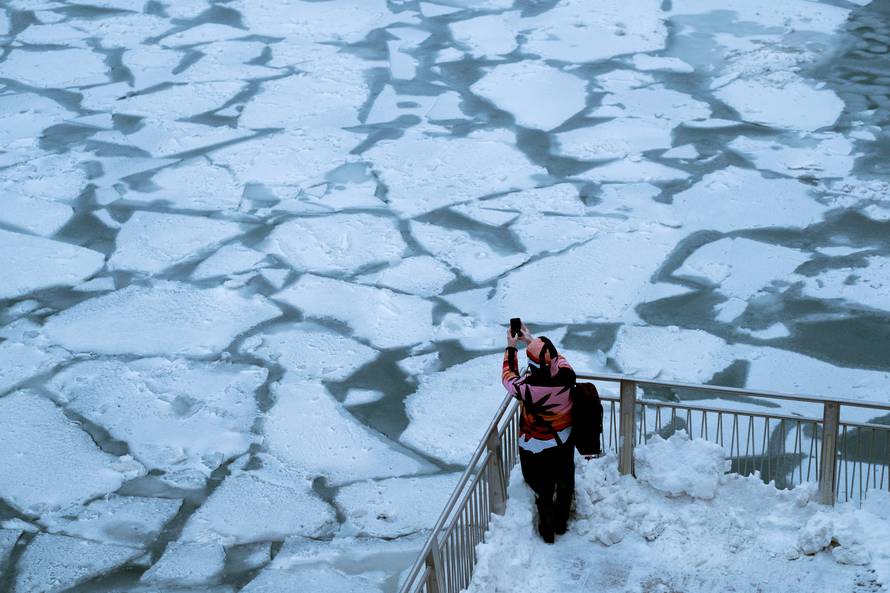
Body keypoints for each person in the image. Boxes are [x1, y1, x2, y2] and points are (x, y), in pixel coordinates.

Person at [502, 323, 576, 543]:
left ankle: (547, 528)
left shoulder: (527, 388)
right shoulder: (567, 376)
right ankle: (561, 523)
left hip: (535, 445)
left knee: (543, 488)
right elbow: (557, 358)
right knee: (564, 482)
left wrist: (512, 348)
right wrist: (533, 341)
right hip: (562, 439)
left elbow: (508, 377)